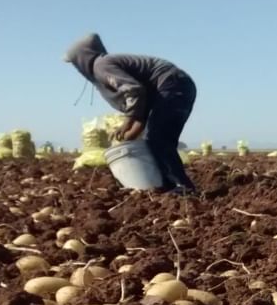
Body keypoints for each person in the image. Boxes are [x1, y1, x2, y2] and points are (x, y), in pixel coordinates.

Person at [64, 32, 197, 194]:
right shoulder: (106, 65)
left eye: (74, 63)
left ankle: (182, 187)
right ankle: (168, 185)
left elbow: (134, 90)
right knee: (155, 138)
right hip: (177, 85)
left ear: (82, 58)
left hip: (172, 85)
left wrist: (127, 122)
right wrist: (133, 131)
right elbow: (143, 105)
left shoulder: (102, 66)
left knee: (159, 139)